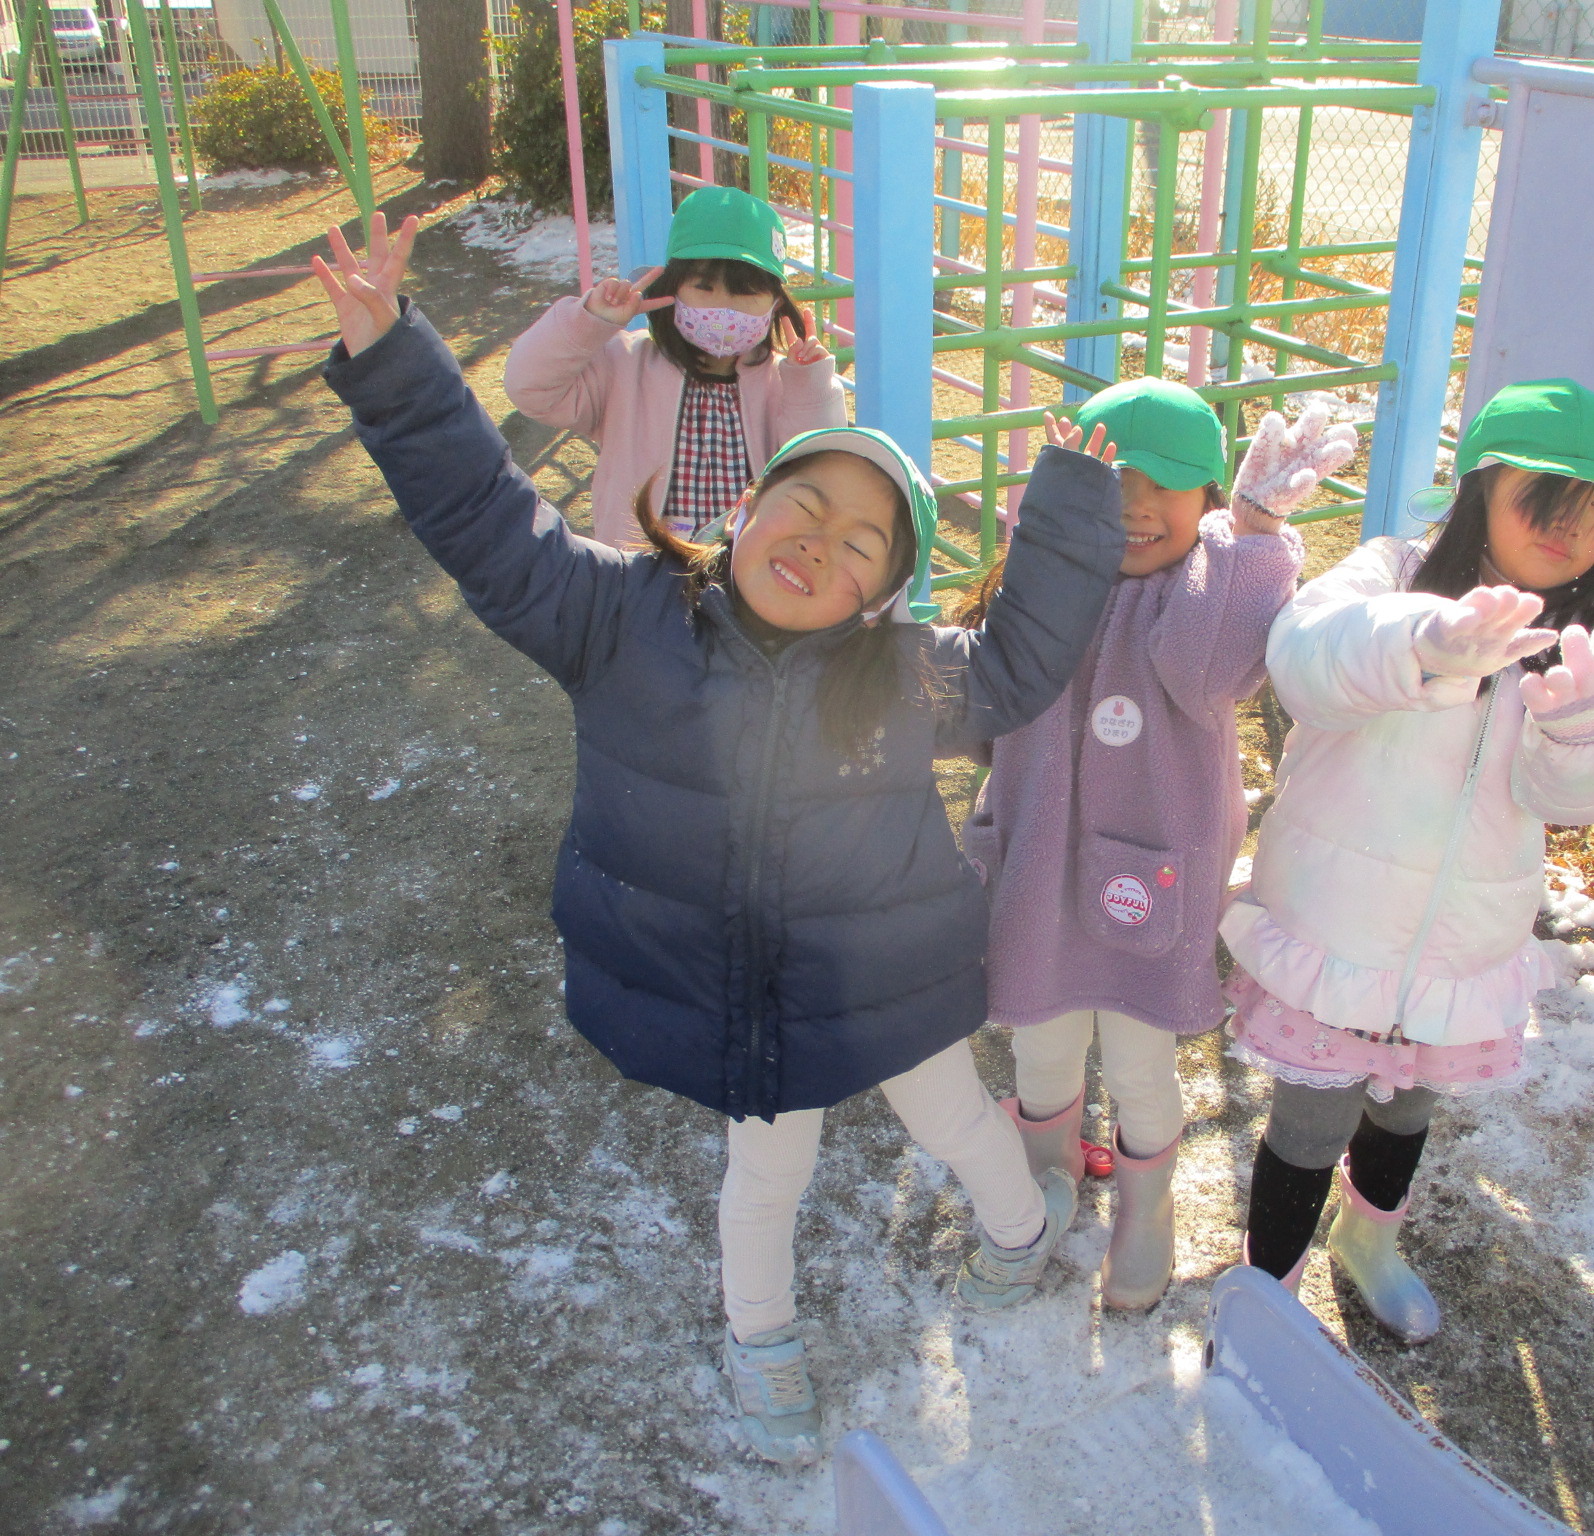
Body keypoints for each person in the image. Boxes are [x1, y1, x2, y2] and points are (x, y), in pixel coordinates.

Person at [312, 215, 1126, 1465]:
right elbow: (485, 519)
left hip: (881, 976)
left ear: (881, 596)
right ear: (742, 506)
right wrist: (393, 362)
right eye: (803, 506)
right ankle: (762, 1341)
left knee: (958, 1121)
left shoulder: (899, 675)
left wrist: (1064, 511)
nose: (819, 544)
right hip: (739, 996)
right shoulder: (614, 616)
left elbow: (1019, 662)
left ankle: (1019, 1235)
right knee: (765, 1181)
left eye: (860, 546)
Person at [1226, 378, 1594, 1342]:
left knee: (1408, 1111)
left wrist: (1591, 741)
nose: (1573, 527)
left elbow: (1568, 800)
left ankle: (1369, 1244)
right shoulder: (1391, 572)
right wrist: (1421, 642)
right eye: (1547, 497)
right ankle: (1267, 1298)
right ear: (1481, 488)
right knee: (1308, 1125)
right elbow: (1305, 658)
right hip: (1338, 928)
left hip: (1465, 942)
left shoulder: (1586, 641)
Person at [964, 378, 1355, 1310]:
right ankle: (1048, 1170)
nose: (1136, 506)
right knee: (1041, 1044)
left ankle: (1148, 1210)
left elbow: (1207, 665)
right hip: (1040, 866)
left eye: (1165, 487)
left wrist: (1254, 535)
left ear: (1206, 500)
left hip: (1147, 879)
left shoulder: (1200, 594)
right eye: (1114, 482)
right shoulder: (1047, 581)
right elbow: (988, 699)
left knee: (1141, 1064)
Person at [504, 186, 845, 549]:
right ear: (673, 289)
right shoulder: (624, 366)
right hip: (641, 570)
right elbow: (529, 387)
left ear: (776, 303)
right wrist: (588, 323)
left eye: (746, 292)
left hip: (746, 568)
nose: (724, 307)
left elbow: (820, 468)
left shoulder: (785, 382)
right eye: (704, 287)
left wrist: (810, 386)